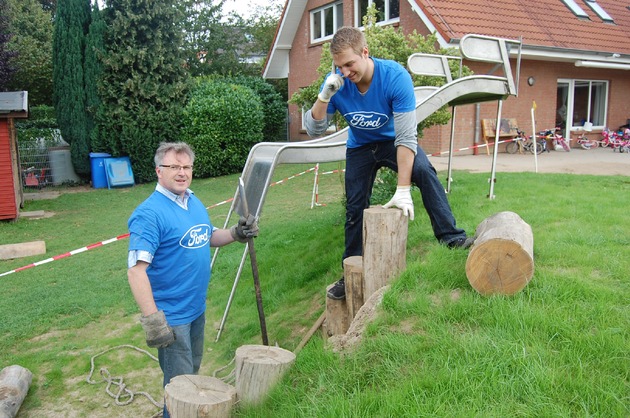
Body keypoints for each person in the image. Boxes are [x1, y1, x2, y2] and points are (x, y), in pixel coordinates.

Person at [304, 26, 472, 300]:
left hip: (393, 141)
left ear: (365, 53)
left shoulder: (395, 77)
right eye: (339, 66)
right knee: (355, 206)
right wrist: (324, 96)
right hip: (359, 146)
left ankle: (452, 237)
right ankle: (350, 273)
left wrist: (403, 189)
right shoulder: (337, 81)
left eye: (350, 64)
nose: (345, 72)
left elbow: (407, 137)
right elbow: (313, 129)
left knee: (423, 171)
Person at [126, 142, 258, 418]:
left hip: (195, 308)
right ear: (159, 171)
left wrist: (236, 233)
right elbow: (136, 271)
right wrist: (153, 321)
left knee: (192, 372)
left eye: (186, 167)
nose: (182, 172)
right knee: (180, 386)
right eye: (174, 167)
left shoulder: (192, 201)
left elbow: (207, 236)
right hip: (172, 317)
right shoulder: (149, 214)